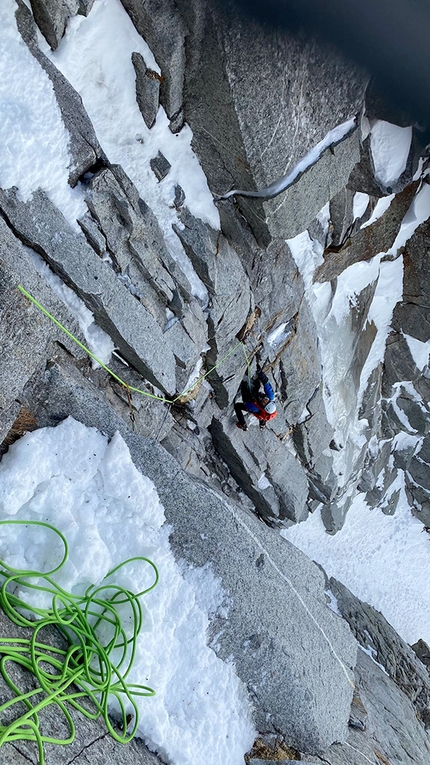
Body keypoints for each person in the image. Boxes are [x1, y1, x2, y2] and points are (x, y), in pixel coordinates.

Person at [234, 365, 277, 431]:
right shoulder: (271, 397)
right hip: (258, 401)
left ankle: (243, 424)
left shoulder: (254, 408)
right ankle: (262, 424)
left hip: (250, 401)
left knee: (237, 406)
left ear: (263, 407)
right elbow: (266, 383)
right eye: (267, 401)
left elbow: (246, 403)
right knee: (257, 384)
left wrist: (251, 397)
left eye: (264, 403)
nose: (264, 401)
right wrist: (260, 373)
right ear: (270, 401)